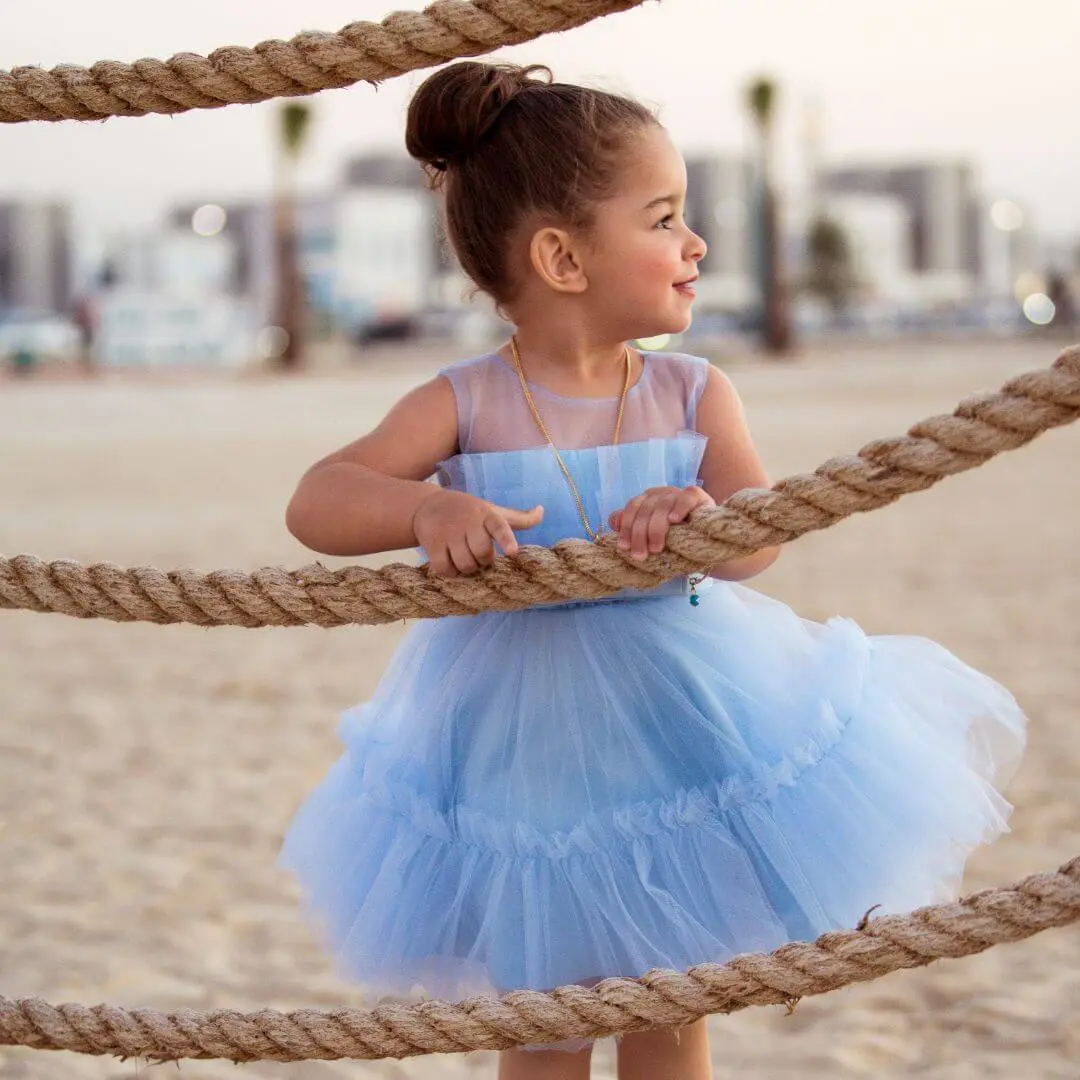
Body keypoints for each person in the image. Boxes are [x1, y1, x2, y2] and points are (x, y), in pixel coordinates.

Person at [279, 62, 1027, 1080]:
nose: (696, 243)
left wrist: (703, 519)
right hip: (524, 761)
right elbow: (317, 500)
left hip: (679, 739)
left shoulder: (689, 393)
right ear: (561, 256)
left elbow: (760, 540)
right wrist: (424, 504)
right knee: (543, 1021)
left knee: (670, 1009)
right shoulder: (465, 401)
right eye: (664, 217)